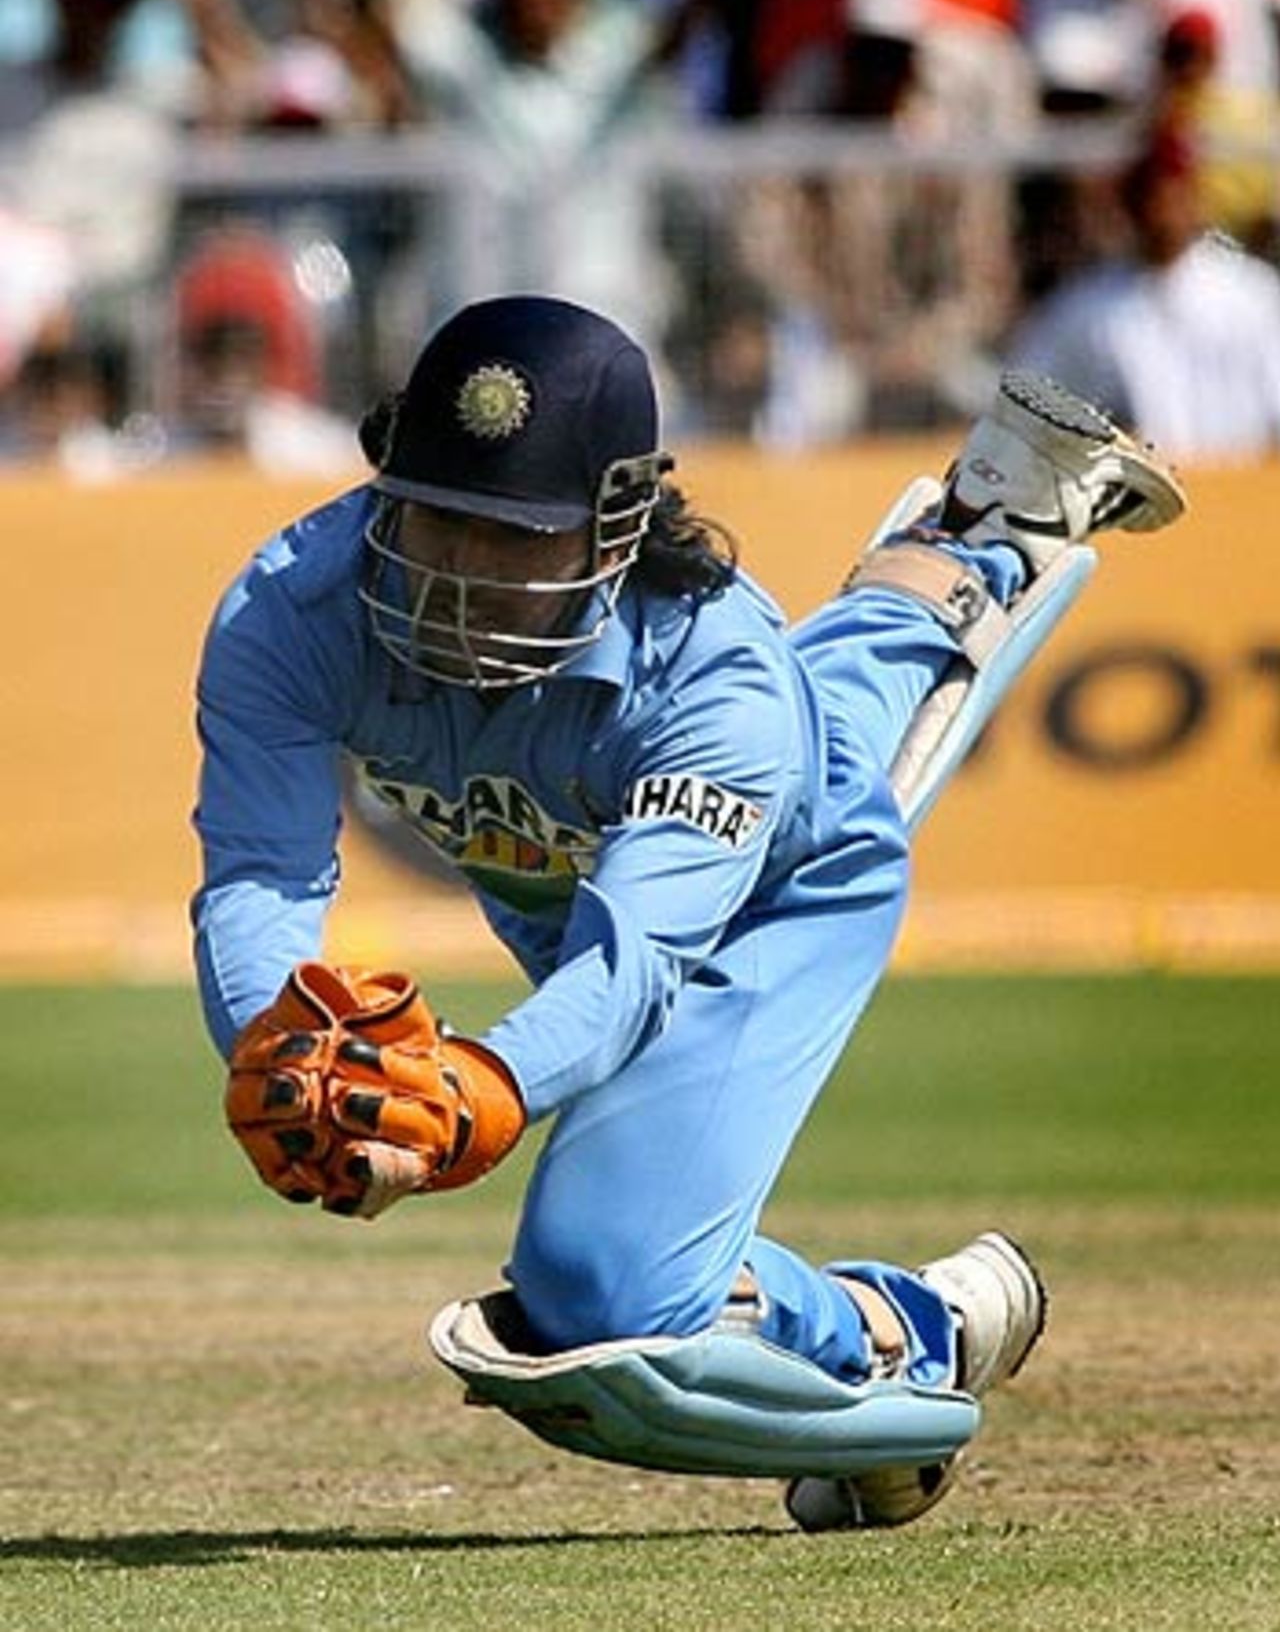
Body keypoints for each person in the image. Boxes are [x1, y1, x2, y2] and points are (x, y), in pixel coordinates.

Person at [193, 294, 1184, 1529]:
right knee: (845, 687)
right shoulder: (297, 601)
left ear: (613, 531)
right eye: (433, 518)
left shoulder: (714, 671)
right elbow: (258, 872)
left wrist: (476, 1089)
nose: (456, 571)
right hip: (575, 862)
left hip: (774, 897)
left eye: (513, 537)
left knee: (594, 1277)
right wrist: (281, 1037)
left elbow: (635, 961)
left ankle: (909, 1323)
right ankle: (984, 525)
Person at [1011, 131, 1280, 460]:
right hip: (1138, 496)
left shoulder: (1253, 297)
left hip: (1244, 490)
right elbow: (1027, 400)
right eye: (1151, 198)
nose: (1162, 212)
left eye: (1173, 196)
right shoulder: (1085, 308)